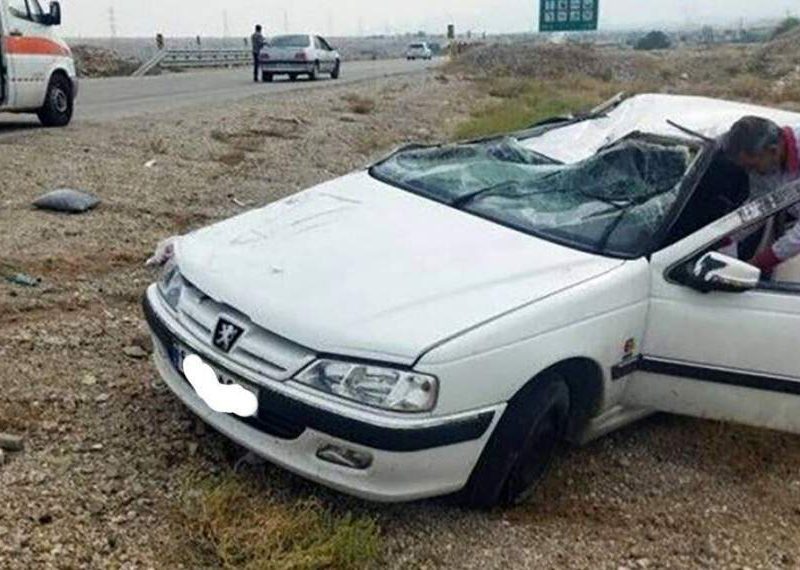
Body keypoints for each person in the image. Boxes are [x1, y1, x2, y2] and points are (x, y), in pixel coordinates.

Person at [721, 116, 800, 272]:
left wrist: (759, 263)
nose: (750, 172)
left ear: (773, 150)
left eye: (752, 166)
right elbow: (760, 206)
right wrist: (724, 237)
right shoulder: (765, 163)